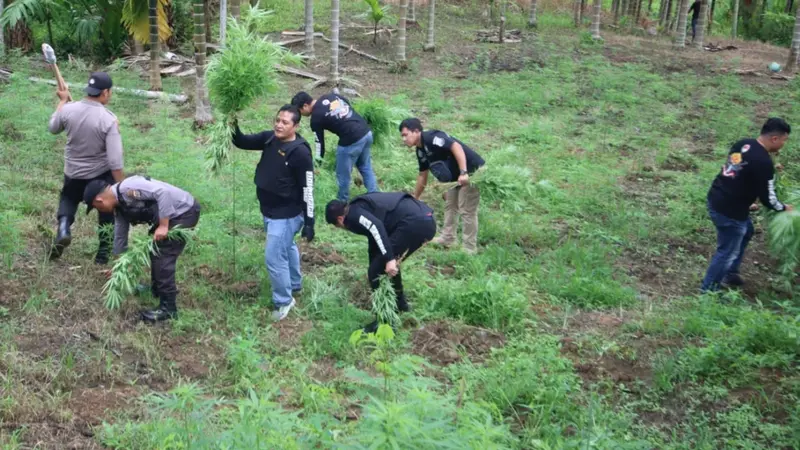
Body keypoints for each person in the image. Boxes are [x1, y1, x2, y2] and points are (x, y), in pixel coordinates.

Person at [231, 105, 315, 321]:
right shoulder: (270, 139)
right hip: (269, 210)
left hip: (286, 214)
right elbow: (241, 141)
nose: (279, 124)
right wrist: (231, 123)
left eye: (285, 122)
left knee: (273, 257)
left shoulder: (300, 152)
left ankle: (284, 301)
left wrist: (309, 221)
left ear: (295, 126)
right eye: (278, 120)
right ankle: (295, 285)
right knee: (287, 247)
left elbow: (308, 187)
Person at [83, 176, 201, 322]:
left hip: (184, 211)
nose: (99, 210)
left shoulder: (129, 188)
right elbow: (120, 236)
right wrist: (119, 267)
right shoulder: (120, 206)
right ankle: (156, 290)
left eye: (96, 207)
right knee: (155, 248)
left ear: (99, 200)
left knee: (162, 254)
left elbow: (163, 193)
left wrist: (164, 226)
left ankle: (168, 309)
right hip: (174, 215)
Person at [701, 118, 793, 292]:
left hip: (716, 197)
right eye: (783, 140)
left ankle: (730, 273)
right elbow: (768, 198)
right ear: (774, 139)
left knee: (747, 231)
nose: (783, 144)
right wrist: (783, 208)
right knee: (727, 252)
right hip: (730, 211)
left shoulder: (744, 144)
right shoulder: (764, 163)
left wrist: (748, 199)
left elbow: (733, 170)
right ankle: (708, 291)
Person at [325, 192, 436, 333]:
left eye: (337, 226)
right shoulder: (357, 207)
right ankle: (401, 306)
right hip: (423, 218)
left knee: (377, 270)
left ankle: (384, 321)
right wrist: (379, 262)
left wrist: (388, 259)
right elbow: (373, 238)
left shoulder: (354, 216)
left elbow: (376, 227)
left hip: (415, 223)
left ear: (340, 219)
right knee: (379, 267)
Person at [48, 72, 124, 264]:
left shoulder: (69, 110)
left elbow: (53, 127)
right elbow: (115, 161)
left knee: (68, 197)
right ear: (105, 92)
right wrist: (120, 186)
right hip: (99, 173)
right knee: (106, 210)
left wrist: (63, 102)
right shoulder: (108, 120)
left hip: (72, 171)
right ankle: (103, 254)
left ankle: (64, 228)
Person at [398, 118, 485, 254]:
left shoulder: (432, 138)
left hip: (471, 171)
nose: (403, 139)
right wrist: (416, 197)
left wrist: (464, 172)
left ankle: (469, 247)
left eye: (405, 134)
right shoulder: (421, 151)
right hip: (453, 178)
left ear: (416, 131)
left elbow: (456, 146)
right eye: (402, 136)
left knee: (466, 208)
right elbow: (422, 175)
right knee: (450, 205)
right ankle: (448, 238)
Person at [291, 91, 379, 202]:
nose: (301, 116)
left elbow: (320, 144)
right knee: (365, 166)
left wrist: (317, 164)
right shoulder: (331, 96)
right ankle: (376, 197)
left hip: (351, 140)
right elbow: (347, 103)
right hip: (366, 132)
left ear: (305, 106)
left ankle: (342, 203)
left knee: (342, 176)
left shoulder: (315, 119)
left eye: (300, 112)